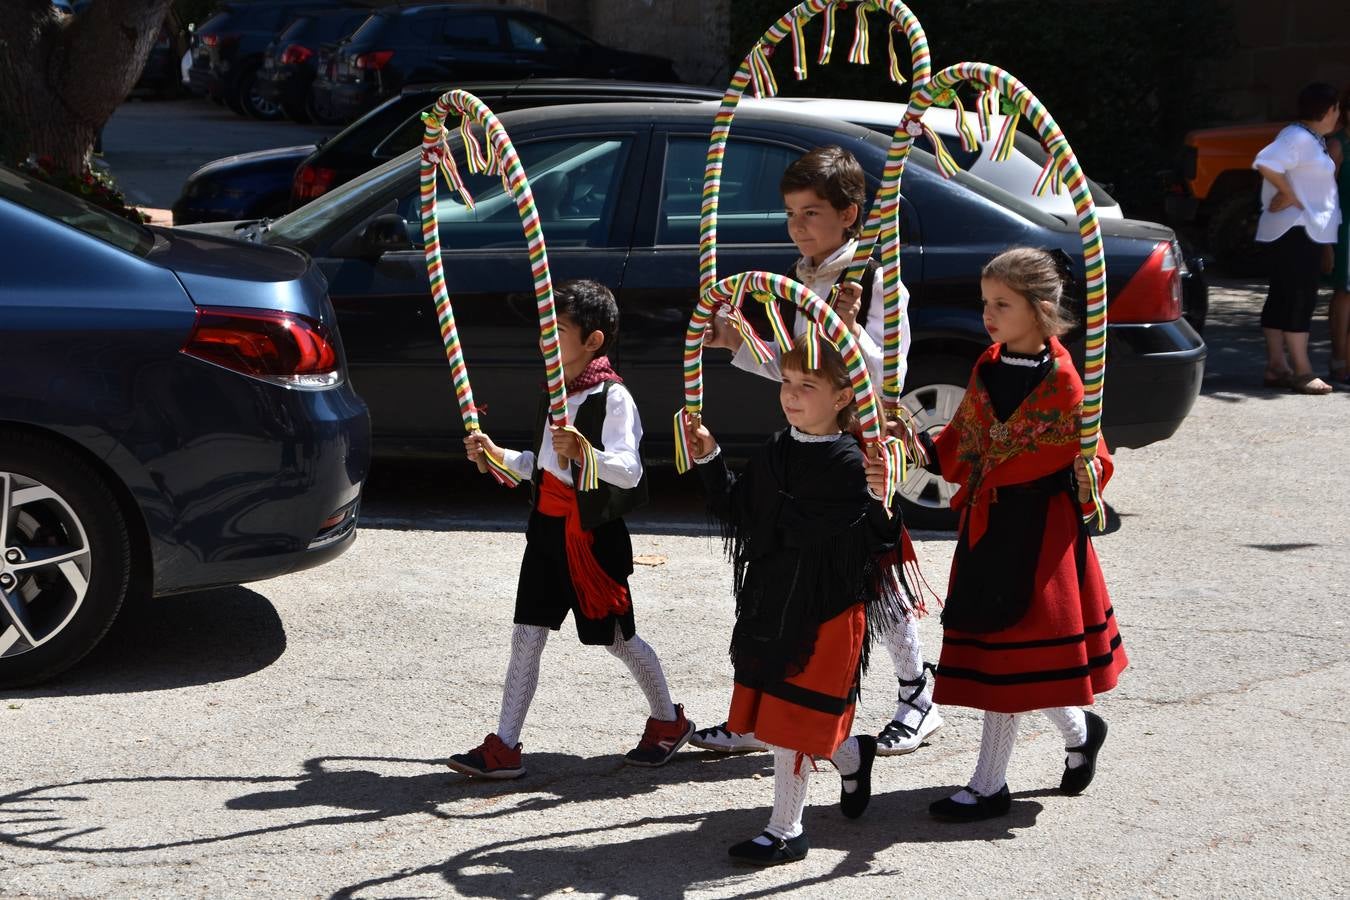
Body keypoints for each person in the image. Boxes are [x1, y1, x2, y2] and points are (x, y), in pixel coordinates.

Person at [696, 144, 942, 759]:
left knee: (871, 571)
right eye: (790, 213)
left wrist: (849, 329)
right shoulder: (801, 279)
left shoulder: (876, 279)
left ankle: (917, 693)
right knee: (787, 569)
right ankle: (764, 707)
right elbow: (797, 367)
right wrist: (735, 341)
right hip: (812, 440)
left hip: (861, 446)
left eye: (811, 213)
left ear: (849, 214)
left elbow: (887, 373)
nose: (797, 226)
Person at [876, 247, 1128, 822]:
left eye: (1002, 304)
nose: (988, 314)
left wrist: (1089, 473)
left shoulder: (1066, 382)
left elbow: (1092, 455)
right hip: (989, 529)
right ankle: (1080, 730)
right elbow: (965, 440)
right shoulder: (988, 365)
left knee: (1012, 660)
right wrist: (910, 442)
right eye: (985, 302)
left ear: (1041, 310)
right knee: (1009, 656)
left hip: (1039, 537)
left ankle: (988, 786)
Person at [448, 279, 693, 780]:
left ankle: (669, 721)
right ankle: (505, 746)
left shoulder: (613, 397)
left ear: (593, 341)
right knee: (526, 635)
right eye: (543, 329)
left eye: (556, 330)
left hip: (591, 540)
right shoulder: (557, 392)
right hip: (546, 532)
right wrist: (496, 454)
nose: (545, 340)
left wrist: (586, 452)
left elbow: (630, 471)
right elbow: (539, 466)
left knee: (618, 639)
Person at [683, 337, 908, 865]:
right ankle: (852, 755)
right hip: (772, 600)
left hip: (828, 611)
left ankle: (786, 830)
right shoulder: (777, 448)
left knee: (791, 720)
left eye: (807, 385)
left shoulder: (855, 462)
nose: (791, 394)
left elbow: (880, 541)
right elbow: (739, 508)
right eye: (786, 382)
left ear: (843, 396)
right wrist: (710, 456)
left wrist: (883, 499)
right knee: (781, 715)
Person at [1253, 82, 1342, 395]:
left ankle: (1277, 366)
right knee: (1298, 296)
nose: (1339, 114)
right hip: (1295, 230)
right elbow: (1266, 162)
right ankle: (1302, 370)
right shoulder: (1298, 136)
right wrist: (1289, 193)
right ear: (1328, 110)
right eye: (1337, 108)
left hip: (1302, 230)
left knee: (1285, 294)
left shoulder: (1309, 138)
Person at [1325, 88, 1350, 386]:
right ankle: (1339, 359)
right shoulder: (1337, 144)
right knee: (1344, 292)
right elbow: (1326, 194)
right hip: (1346, 226)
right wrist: (1326, 243)